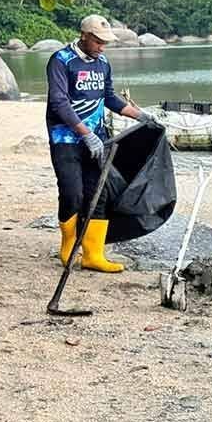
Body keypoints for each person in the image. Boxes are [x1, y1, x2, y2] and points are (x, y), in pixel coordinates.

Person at [45, 14, 154, 273]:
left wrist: (140, 115)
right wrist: (85, 133)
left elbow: (109, 98)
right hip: (66, 140)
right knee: (72, 193)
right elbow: (59, 103)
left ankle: (94, 254)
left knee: (99, 194)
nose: (102, 47)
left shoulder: (102, 62)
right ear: (85, 36)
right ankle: (69, 245)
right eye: (98, 41)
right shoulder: (61, 61)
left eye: (105, 42)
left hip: (98, 139)